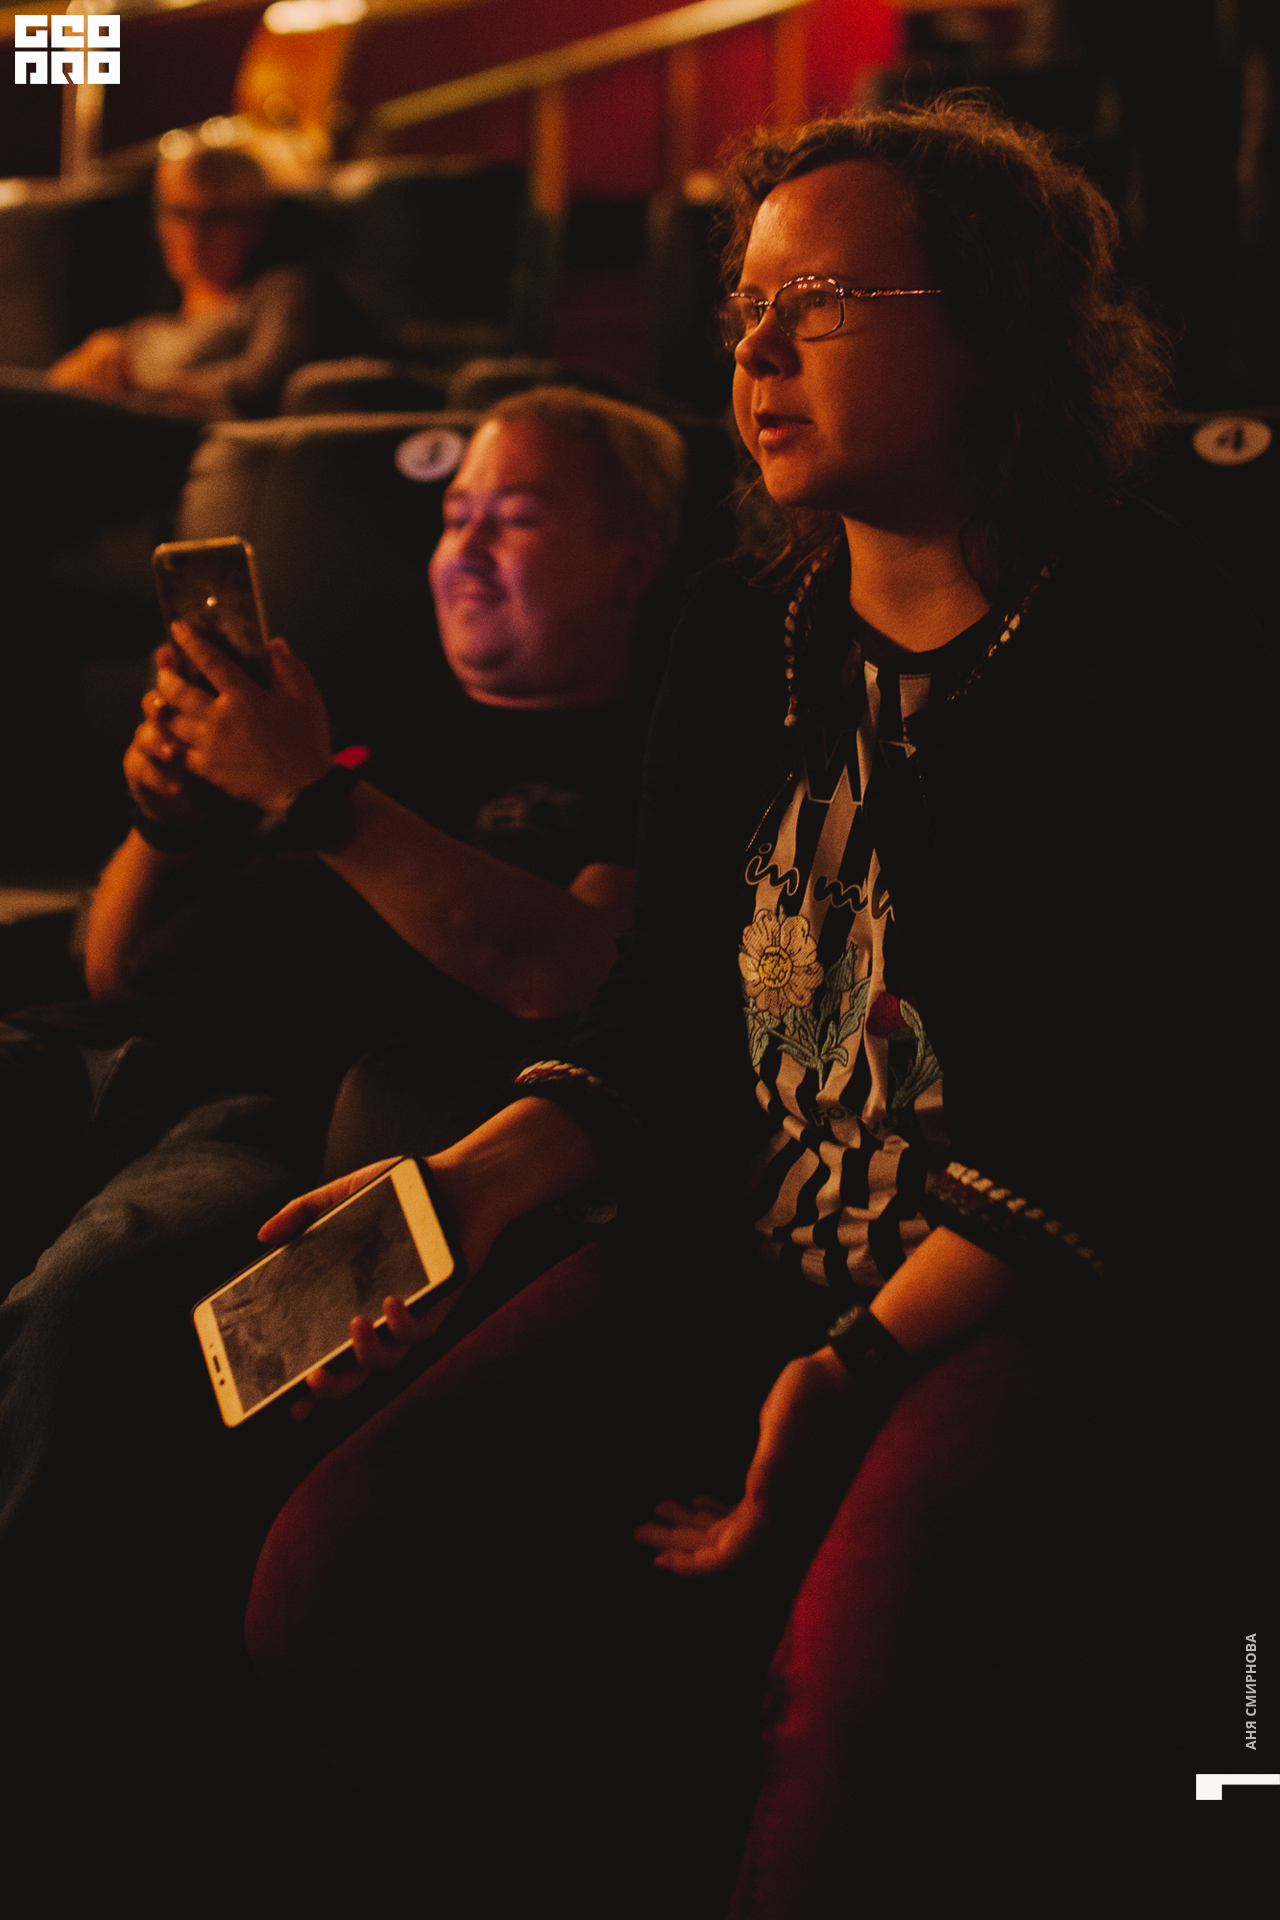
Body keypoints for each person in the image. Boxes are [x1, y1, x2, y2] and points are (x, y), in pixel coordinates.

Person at [235, 98, 1274, 1917]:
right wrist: (460, 1191)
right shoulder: (741, 629)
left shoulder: (1151, 628)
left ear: (992, 326)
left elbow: (1132, 1109)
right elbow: (666, 1017)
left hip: (1015, 1287)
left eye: (823, 301)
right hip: (742, 1239)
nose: (758, 347)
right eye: (744, 309)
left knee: (857, 1689)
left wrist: (851, 1364)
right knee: (337, 1576)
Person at [46, 145, 319, 423]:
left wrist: (135, 392)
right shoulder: (140, 334)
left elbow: (263, 384)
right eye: (178, 213)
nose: (194, 234)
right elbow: (53, 395)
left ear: (257, 222)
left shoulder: (280, 290)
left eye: (217, 216)